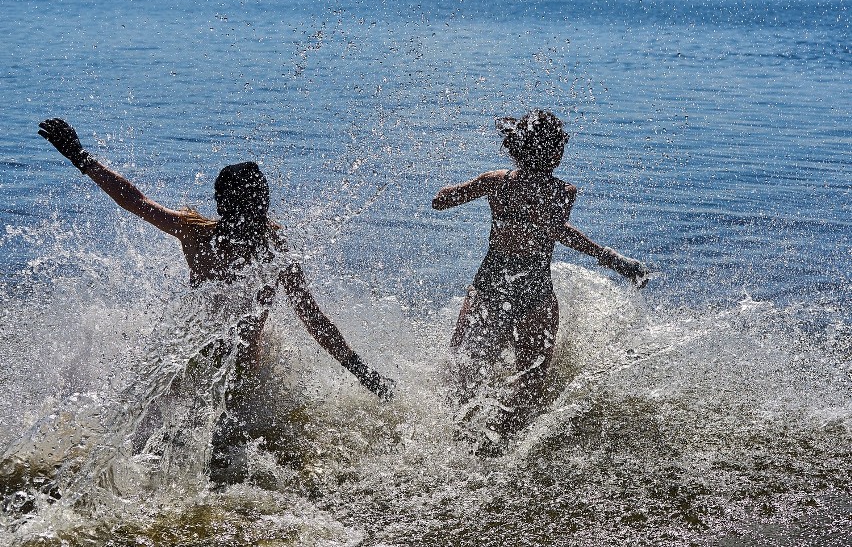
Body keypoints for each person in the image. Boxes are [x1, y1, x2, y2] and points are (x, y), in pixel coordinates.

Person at [38, 118, 393, 484]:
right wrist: (362, 372)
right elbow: (315, 321)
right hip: (234, 371)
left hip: (194, 358)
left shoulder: (200, 234)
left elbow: (136, 202)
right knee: (219, 455)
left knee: (162, 439)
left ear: (220, 203)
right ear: (263, 202)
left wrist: (81, 157)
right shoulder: (271, 249)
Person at [431, 109, 649, 453]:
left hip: (492, 286)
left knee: (465, 373)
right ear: (557, 151)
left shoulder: (498, 181)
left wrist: (459, 191)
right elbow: (554, 229)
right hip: (535, 290)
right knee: (531, 381)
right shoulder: (564, 192)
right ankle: (505, 446)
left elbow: (440, 201)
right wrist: (609, 257)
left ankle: (457, 443)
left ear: (517, 147)